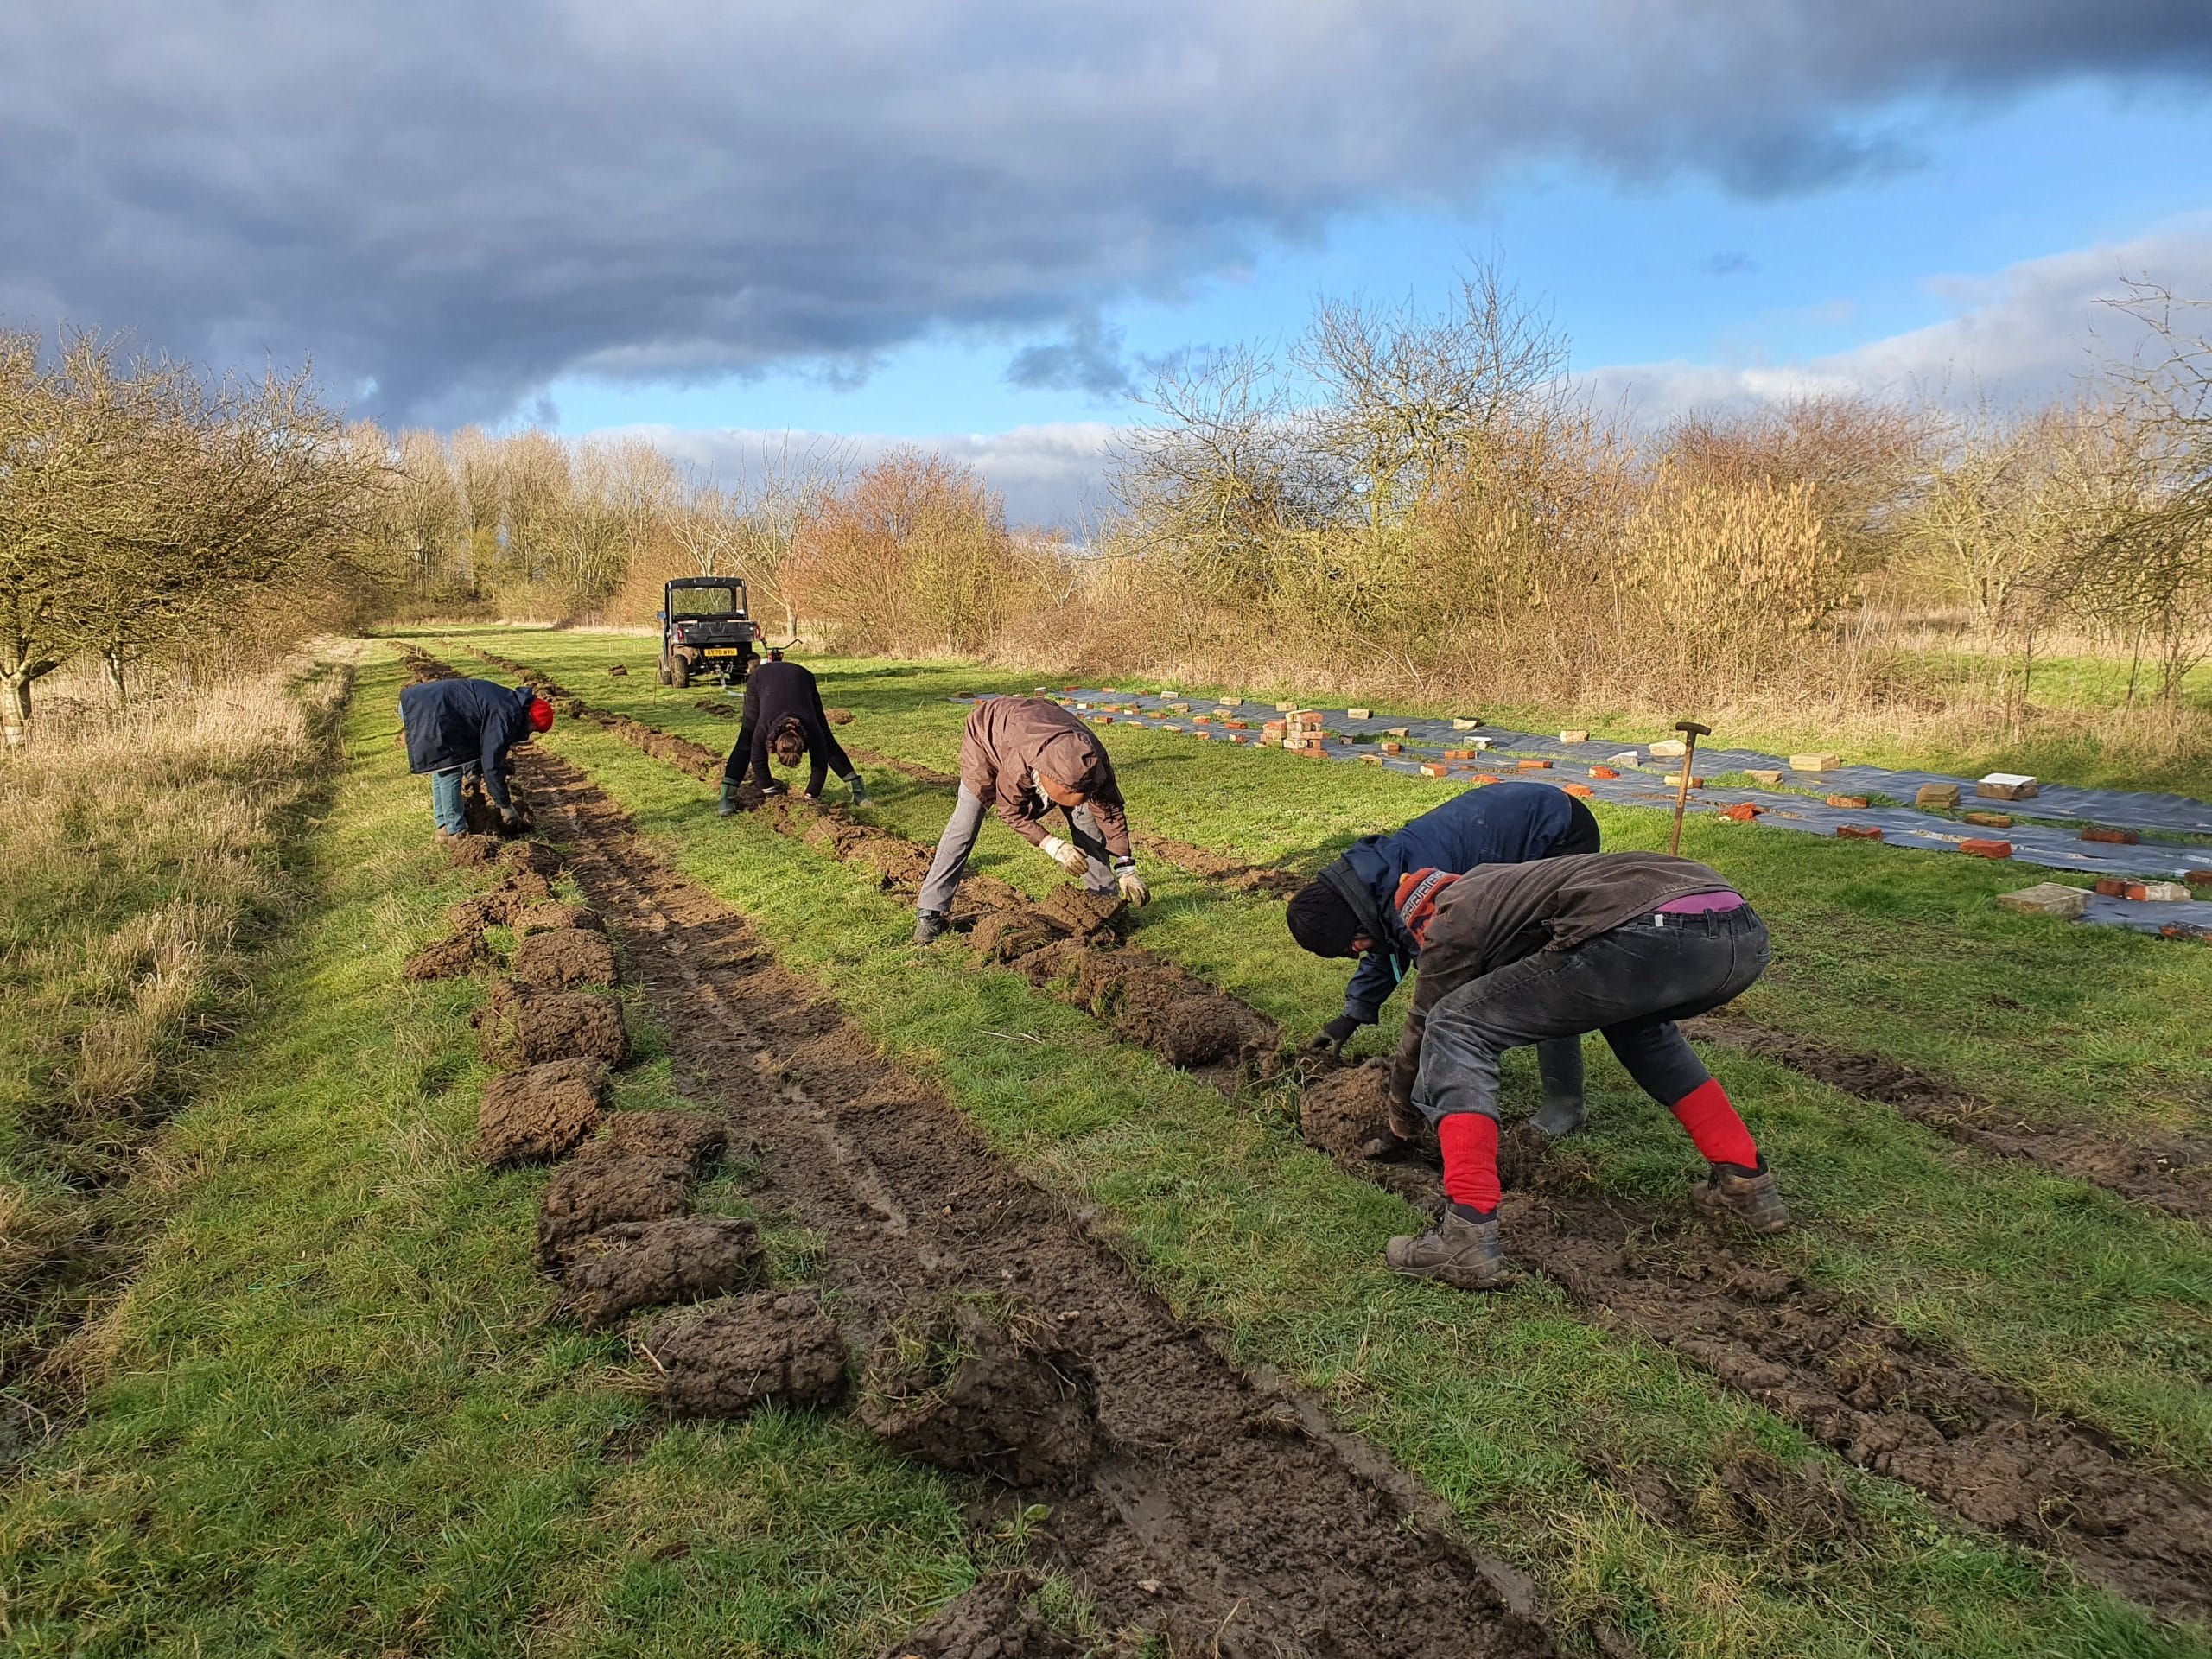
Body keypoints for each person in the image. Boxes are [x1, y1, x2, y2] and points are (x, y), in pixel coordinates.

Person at [1380, 849, 1786, 1290]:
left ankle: (1465, 1239)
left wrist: (1400, 1108)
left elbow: (1423, 1023)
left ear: (1422, 920)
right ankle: (1748, 1186)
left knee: (1455, 1025)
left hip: (1647, 931)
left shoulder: (1449, 915)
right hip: (1740, 933)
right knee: (1642, 1030)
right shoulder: (1510, 884)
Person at [1285, 781, 1599, 1135]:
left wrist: (1411, 1076)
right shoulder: (1367, 885)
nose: (1355, 952)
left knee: (1541, 966)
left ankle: (1565, 1104)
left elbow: (1447, 985)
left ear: (1350, 923)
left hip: (1554, 831)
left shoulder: (1407, 892)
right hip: (1516, 813)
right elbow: (1385, 941)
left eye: (1348, 947)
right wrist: (1351, 1015)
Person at [914, 695, 1147, 944]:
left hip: (1040, 729)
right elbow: (1010, 810)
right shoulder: (1020, 762)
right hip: (987, 736)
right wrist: (1053, 845)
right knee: (966, 821)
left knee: (1087, 817)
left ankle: (1104, 904)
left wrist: (1126, 866)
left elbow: (1110, 810)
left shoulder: (1093, 760)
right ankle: (930, 912)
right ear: (1044, 778)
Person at [399, 676, 553, 839]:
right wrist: (505, 805)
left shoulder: (506, 701)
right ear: (530, 718)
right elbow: (492, 762)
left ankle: (444, 826)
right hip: (427, 709)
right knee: (450, 767)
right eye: (533, 729)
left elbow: (477, 742)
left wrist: (473, 772)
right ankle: (456, 832)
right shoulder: (506, 714)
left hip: (418, 702)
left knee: (442, 768)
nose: (529, 734)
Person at [717, 649, 868, 813]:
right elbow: (757, 759)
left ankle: (859, 792)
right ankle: (725, 799)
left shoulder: (810, 726)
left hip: (802, 678)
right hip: (762, 678)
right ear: (774, 745)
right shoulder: (764, 725)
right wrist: (771, 794)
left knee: (826, 738)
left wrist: (811, 796)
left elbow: (820, 762)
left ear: (803, 743)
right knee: (746, 739)